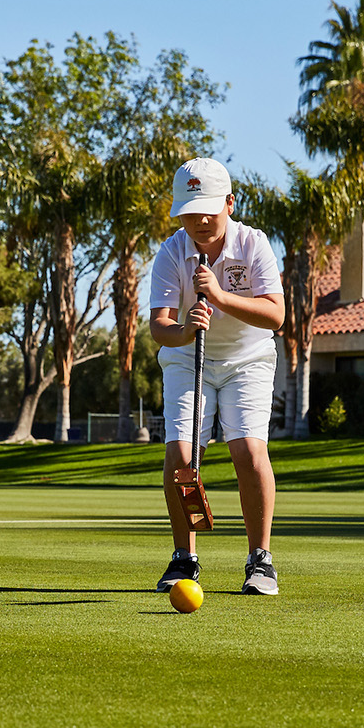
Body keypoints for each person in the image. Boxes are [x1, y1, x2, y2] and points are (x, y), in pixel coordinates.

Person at [149, 157, 285, 596]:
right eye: (191, 212)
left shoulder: (253, 244)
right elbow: (159, 326)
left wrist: (220, 297)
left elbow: (276, 315)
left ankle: (260, 560)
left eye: (209, 209)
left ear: (229, 203)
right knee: (181, 457)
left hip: (248, 359)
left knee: (248, 450)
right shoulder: (171, 253)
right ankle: (184, 558)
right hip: (187, 360)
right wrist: (185, 331)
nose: (201, 220)